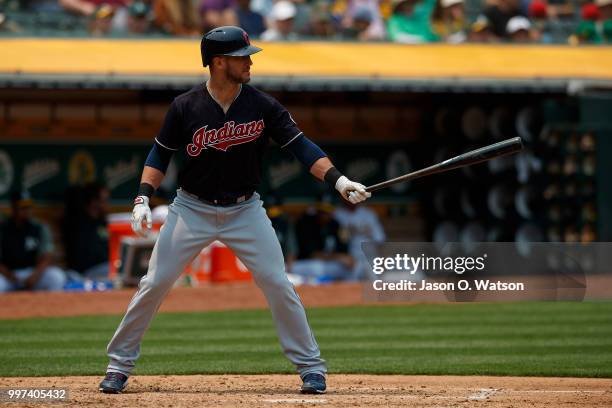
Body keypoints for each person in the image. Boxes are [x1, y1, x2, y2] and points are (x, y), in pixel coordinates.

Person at [98, 25, 371, 395]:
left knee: (277, 282)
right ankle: (118, 366)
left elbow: (301, 146)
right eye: (243, 57)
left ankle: (311, 367)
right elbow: (160, 153)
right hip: (191, 208)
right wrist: (143, 197)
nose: (250, 62)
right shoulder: (185, 106)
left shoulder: (262, 104)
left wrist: (339, 181)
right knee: (154, 283)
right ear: (218, 62)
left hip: (246, 210)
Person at [0, 191, 67, 293]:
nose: (26, 211)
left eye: (28, 207)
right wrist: (9, 276)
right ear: (13, 208)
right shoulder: (3, 228)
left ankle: (44, 307)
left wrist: (35, 275)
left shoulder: (39, 228)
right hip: (7, 275)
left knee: (56, 277)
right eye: (22, 207)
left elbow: (47, 256)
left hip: (32, 272)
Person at [291, 194, 355, 282]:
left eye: (326, 212)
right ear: (316, 209)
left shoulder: (336, 225)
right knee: (316, 267)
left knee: (353, 267)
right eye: (321, 211)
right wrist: (338, 257)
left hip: (331, 265)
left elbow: (345, 253)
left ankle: (339, 289)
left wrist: (343, 258)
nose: (323, 215)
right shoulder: (306, 224)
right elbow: (313, 255)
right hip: (309, 264)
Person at [63, 183, 111, 280]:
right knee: (114, 270)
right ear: (94, 201)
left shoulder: (102, 222)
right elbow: (86, 257)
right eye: (104, 200)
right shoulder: (78, 223)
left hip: (103, 268)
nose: (107, 203)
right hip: (85, 272)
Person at [333, 200, 385, 281]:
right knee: (349, 283)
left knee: (375, 281)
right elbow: (339, 239)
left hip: (369, 257)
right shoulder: (338, 214)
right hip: (350, 257)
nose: (351, 200)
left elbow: (380, 238)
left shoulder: (369, 214)